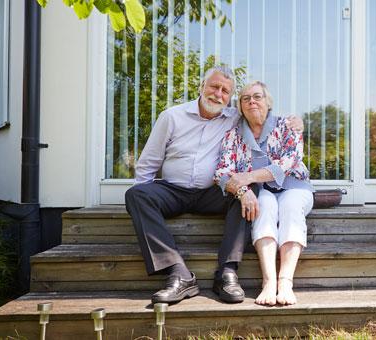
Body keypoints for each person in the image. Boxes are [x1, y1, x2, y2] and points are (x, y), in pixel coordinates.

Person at [125, 66, 304, 305]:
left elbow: (259, 113)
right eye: (214, 87)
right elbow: (149, 163)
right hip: (173, 190)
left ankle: (227, 272)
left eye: (225, 91)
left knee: (248, 193)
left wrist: (297, 121)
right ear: (202, 87)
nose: (218, 94)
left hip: (212, 192)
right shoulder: (172, 116)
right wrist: (145, 207)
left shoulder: (233, 117)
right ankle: (179, 273)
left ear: (230, 99)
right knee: (137, 195)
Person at [214, 80, 313, 306]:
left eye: (257, 97)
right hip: (260, 191)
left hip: (293, 185)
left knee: (289, 206)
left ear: (268, 102)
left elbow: (289, 162)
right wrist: (241, 189)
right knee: (264, 206)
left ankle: (285, 281)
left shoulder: (288, 126)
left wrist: (247, 177)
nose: (252, 101)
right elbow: (222, 172)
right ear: (240, 107)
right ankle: (269, 282)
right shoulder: (233, 135)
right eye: (246, 98)